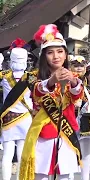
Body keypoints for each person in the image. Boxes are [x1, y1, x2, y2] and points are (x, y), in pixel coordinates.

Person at [19, 24, 84, 180]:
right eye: (50, 52)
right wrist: (51, 81)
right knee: (40, 174)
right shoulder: (33, 76)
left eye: (60, 51)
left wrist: (74, 82)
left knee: (65, 175)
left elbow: (77, 96)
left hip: (66, 133)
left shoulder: (73, 76)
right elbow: (37, 92)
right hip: (44, 133)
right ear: (43, 56)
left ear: (66, 55)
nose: (56, 56)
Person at [0, 38, 33, 180]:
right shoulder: (32, 77)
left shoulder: (4, 76)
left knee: (7, 154)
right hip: (26, 117)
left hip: (8, 117)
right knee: (21, 153)